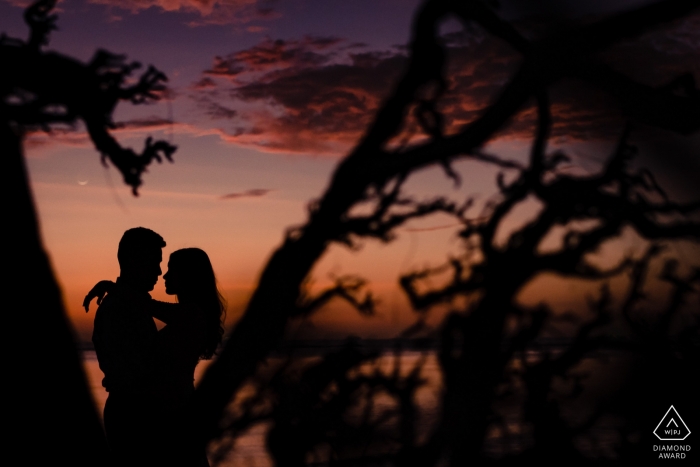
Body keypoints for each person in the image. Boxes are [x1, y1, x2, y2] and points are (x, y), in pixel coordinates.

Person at [85, 247, 226, 467]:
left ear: (188, 276)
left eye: (172, 270)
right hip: (169, 411)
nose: (165, 275)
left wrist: (111, 286)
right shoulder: (189, 314)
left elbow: (145, 305)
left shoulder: (192, 314)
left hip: (176, 413)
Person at [89, 227, 167, 467]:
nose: (158, 272)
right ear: (134, 261)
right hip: (132, 418)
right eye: (154, 262)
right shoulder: (118, 309)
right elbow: (133, 372)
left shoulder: (132, 304)